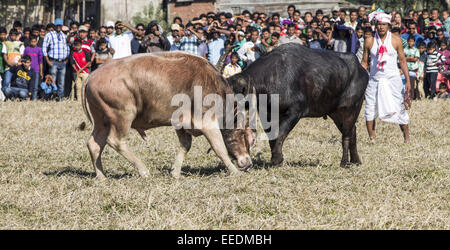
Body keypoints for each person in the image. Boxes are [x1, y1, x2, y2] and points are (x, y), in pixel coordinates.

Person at [361, 12, 411, 143]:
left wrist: (408, 82)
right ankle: (372, 138)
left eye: (383, 24)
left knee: (399, 107)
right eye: (379, 24)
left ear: (388, 25)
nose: (381, 27)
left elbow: (403, 61)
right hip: (374, 80)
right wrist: (359, 78)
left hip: (393, 79)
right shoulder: (369, 40)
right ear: (375, 26)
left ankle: (407, 138)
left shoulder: (396, 39)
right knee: (370, 108)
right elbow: (365, 62)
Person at [42, 18, 70, 100]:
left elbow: (67, 48)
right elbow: (44, 49)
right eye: (57, 25)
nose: (58, 27)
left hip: (62, 62)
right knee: (53, 81)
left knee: (61, 82)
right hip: (53, 61)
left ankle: (60, 98)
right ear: (54, 26)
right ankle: (52, 97)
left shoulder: (64, 36)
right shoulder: (49, 35)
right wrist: (48, 61)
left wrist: (66, 60)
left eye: (60, 25)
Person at [23, 35, 43, 100]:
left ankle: (34, 99)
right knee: (28, 85)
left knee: (35, 86)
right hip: (28, 70)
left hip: (36, 70)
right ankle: (28, 98)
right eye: (32, 41)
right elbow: (24, 59)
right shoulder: (27, 49)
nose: (33, 43)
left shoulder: (39, 49)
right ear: (29, 42)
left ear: (37, 42)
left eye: (35, 41)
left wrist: (41, 71)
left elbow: (40, 61)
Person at [404, 35, 420, 100]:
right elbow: (402, 58)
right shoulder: (404, 49)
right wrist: (410, 58)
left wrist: (407, 58)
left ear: (414, 42)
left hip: (413, 69)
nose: (410, 43)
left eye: (412, 41)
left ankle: (412, 96)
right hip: (406, 69)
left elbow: (415, 59)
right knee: (406, 84)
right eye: (409, 41)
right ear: (407, 42)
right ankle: (407, 97)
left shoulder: (416, 50)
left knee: (413, 84)